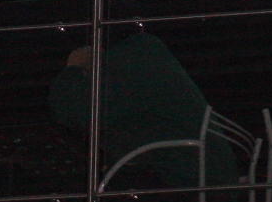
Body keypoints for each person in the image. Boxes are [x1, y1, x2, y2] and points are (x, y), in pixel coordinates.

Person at [49, 31, 236, 190]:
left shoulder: (125, 62)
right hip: (213, 184)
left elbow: (72, 112)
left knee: (81, 194)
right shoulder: (151, 56)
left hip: (189, 184)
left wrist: (74, 68)